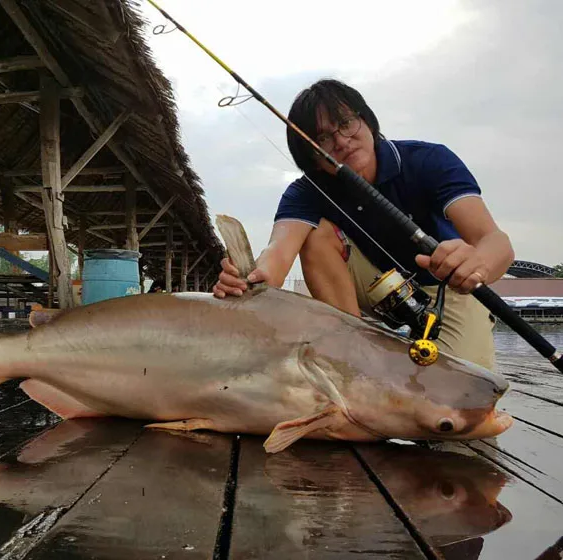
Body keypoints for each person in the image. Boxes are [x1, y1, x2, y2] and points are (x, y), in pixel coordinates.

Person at [213, 79, 514, 371]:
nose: (341, 142)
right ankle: (353, 357)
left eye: (346, 124)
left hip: (447, 290)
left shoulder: (429, 160)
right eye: (322, 139)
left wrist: (476, 264)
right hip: (372, 290)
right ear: (309, 155)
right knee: (315, 233)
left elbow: (495, 243)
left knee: (464, 394)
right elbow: (277, 255)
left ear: (367, 120)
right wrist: (247, 280)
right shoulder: (304, 192)